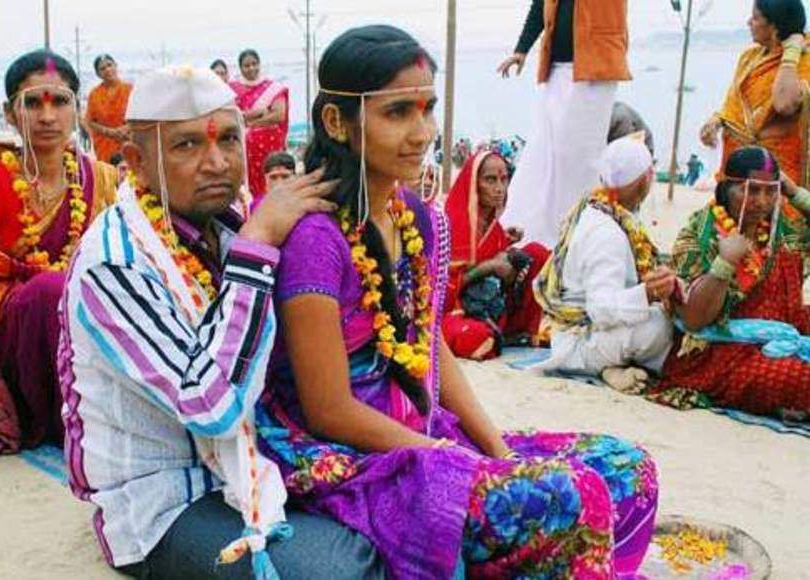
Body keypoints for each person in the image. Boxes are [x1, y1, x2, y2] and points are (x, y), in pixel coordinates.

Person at [258, 25, 657, 578]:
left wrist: (493, 447)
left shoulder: (415, 217)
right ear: (336, 122)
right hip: (355, 459)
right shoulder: (316, 238)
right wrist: (441, 455)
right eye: (398, 112)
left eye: (427, 110)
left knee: (628, 469)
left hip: (425, 431)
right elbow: (328, 410)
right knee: (578, 497)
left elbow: (430, 344)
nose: (422, 132)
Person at [59, 64, 384, 579]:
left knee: (401, 512)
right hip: (166, 497)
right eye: (187, 146)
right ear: (138, 163)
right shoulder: (115, 259)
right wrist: (256, 248)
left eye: (229, 139)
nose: (217, 162)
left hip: (263, 454)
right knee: (339, 568)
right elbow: (212, 408)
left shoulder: (228, 226)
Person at [0, 50, 117, 458]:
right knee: (49, 291)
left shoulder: (100, 178)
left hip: (84, 320)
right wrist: (50, 283)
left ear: (77, 109)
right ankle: (64, 424)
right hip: (0, 332)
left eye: (60, 102)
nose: (47, 117)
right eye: (33, 103)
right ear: (10, 112)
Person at [653, 146, 810, 417]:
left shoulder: (777, 229)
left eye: (770, 191)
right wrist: (724, 264)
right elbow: (694, 320)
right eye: (751, 190)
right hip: (722, 352)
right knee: (799, 379)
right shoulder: (700, 233)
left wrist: (794, 193)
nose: (762, 202)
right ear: (727, 189)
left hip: (782, 327)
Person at [534, 136, 680, 393]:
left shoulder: (606, 210)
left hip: (585, 331)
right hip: (580, 341)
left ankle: (615, 366)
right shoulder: (606, 233)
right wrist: (648, 293)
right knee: (660, 326)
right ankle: (604, 367)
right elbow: (601, 309)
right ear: (646, 179)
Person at [498, 0, 632, 247]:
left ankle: (575, 234)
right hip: (555, 69)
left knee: (578, 158)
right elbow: (540, 6)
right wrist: (521, 50)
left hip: (595, 71)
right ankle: (530, 232)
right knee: (544, 152)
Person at [441, 151, 551, 360]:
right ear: (474, 183)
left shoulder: (495, 227)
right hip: (458, 314)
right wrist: (489, 267)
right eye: (490, 180)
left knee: (538, 253)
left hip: (493, 309)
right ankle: (494, 334)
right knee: (476, 337)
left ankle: (521, 332)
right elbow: (442, 294)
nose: (499, 189)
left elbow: (501, 272)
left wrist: (507, 248)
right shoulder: (452, 223)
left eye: (504, 180)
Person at [702, 1, 810, 191]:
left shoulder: (803, 61)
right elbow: (736, 107)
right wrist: (717, 119)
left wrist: (790, 53)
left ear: (774, 25)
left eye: (755, 17)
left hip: (776, 172)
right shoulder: (749, 58)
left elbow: (784, 104)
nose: (748, 22)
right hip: (737, 166)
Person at [230, 49, 289, 200]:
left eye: (254, 64)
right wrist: (261, 112)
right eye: (246, 65)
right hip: (244, 150)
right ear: (240, 68)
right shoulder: (233, 89)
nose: (251, 68)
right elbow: (234, 115)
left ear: (259, 64)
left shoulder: (273, 88)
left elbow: (279, 115)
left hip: (269, 149)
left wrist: (252, 122)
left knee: (272, 180)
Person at [84, 54, 132, 163]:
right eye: (102, 68)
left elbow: (139, 116)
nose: (107, 70)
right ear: (98, 74)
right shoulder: (94, 94)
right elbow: (90, 122)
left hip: (128, 140)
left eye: (109, 65)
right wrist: (110, 132)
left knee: (130, 175)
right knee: (108, 176)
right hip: (105, 145)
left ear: (116, 66)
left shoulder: (129, 90)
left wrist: (126, 128)